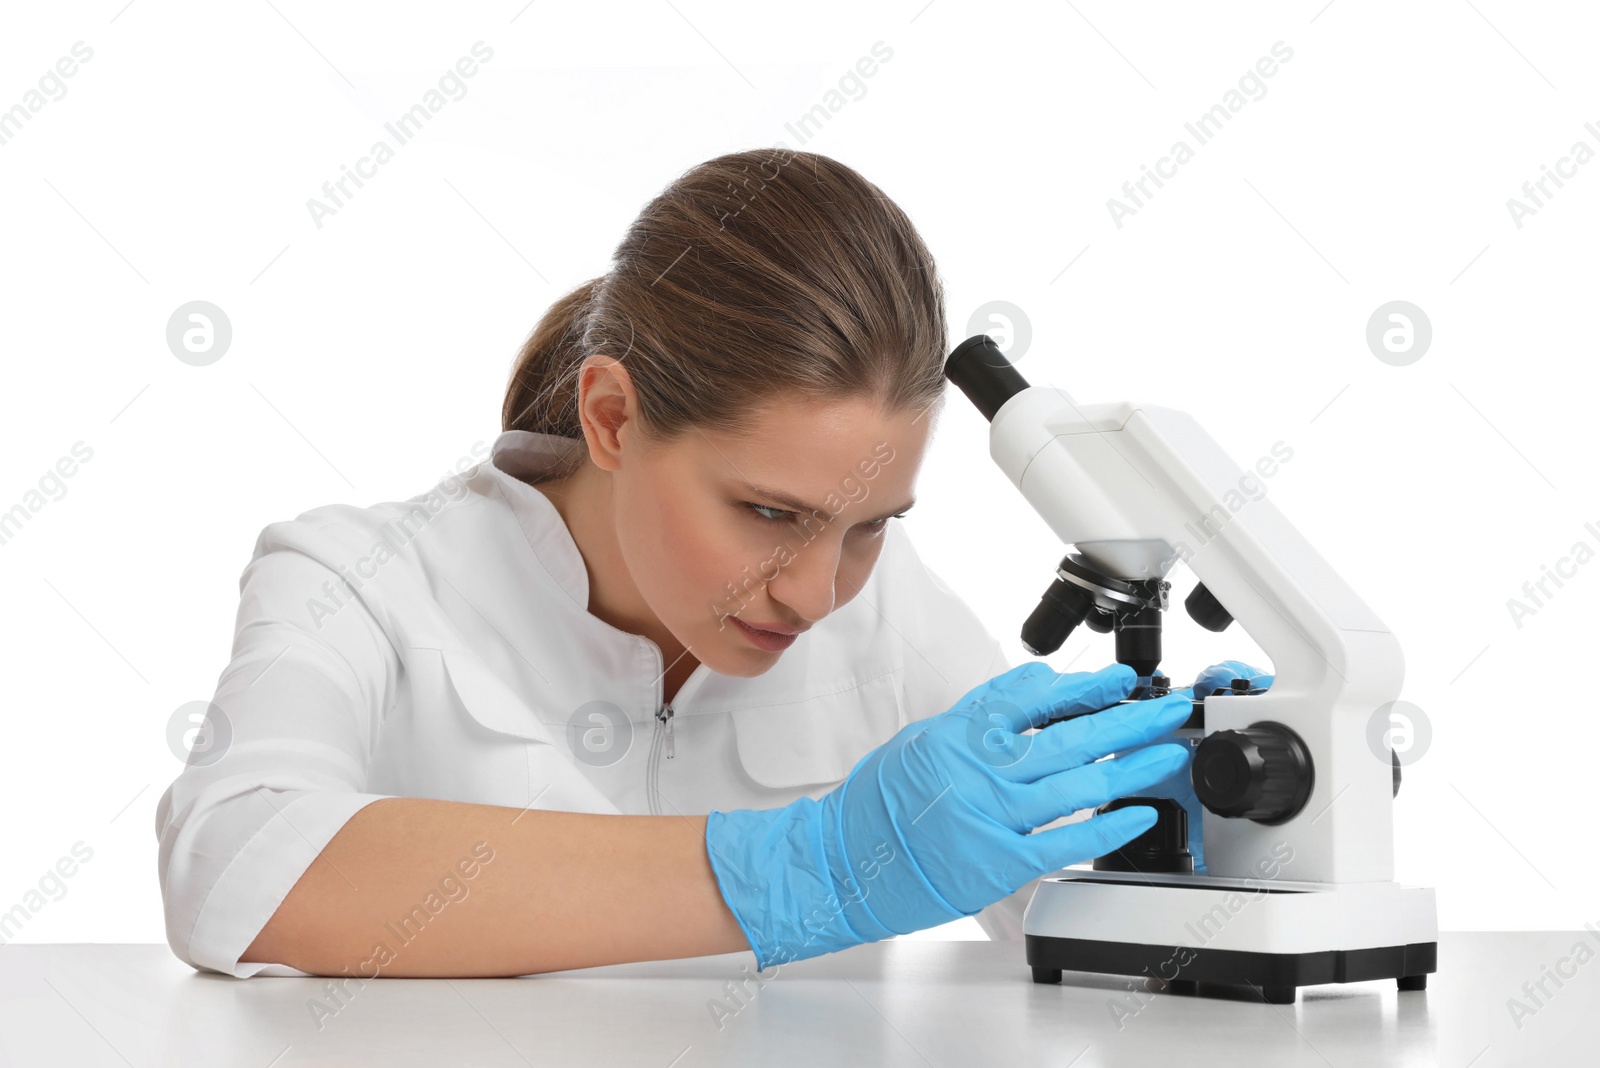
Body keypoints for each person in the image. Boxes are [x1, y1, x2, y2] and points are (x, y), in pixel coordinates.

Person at [154, 148, 1250, 980]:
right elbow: (232, 860)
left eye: (870, 525)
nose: (818, 594)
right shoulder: (360, 579)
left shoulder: (886, 613)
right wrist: (806, 866)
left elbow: (1061, 912)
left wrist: (1198, 827)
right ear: (614, 417)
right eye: (769, 511)